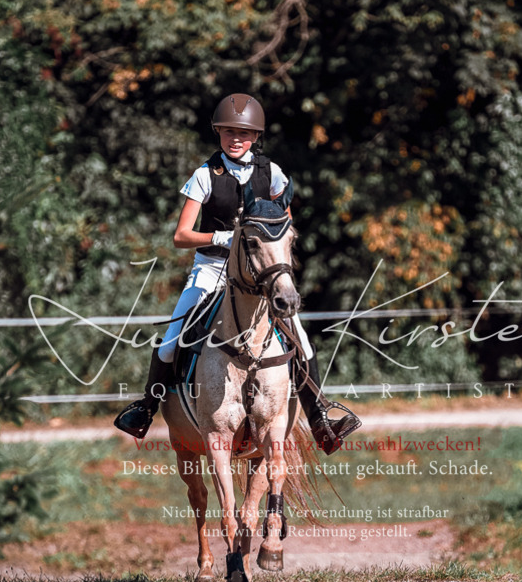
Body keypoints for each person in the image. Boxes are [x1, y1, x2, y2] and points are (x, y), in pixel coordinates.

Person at [114, 92, 359, 454]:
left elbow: (283, 219)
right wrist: (222, 237)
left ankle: (320, 418)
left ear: (256, 137)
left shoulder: (271, 172)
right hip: (212, 268)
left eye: (243, 133)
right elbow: (181, 235)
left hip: (258, 275)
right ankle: (145, 408)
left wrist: (271, 246)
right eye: (228, 131)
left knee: (301, 340)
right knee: (170, 340)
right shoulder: (204, 175)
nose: (236, 138)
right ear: (218, 132)